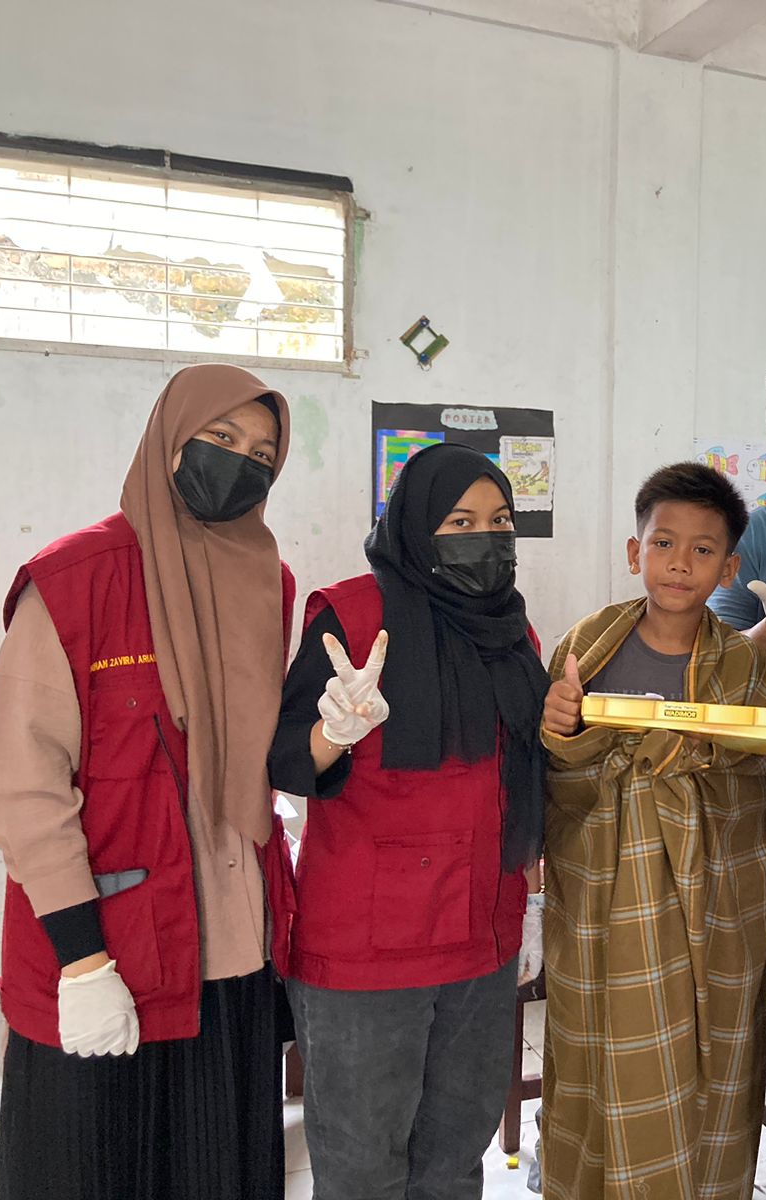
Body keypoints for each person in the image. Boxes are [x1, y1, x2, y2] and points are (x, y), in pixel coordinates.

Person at [0, 365, 293, 1200]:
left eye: (263, 454)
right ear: (168, 440)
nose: (242, 462)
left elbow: (261, 761)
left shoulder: (267, 581)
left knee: (217, 1170)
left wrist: (328, 733)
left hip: (232, 954)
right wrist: (83, 962)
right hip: (108, 948)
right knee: (91, 1170)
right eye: (221, 438)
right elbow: (25, 789)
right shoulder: (76, 578)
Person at [268, 443, 546, 1200]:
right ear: (416, 526)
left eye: (499, 521)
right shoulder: (351, 616)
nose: (484, 537)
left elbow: (522, 777)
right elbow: (285, 759)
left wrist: (528, 903)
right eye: (460, 521)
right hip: (366, 948)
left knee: (454, 1161)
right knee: (363, 1169)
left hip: (482, 936)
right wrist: (334, 734)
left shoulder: (511, 630)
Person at [538, 462, 766, 1199]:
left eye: (703, 550)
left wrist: (672, 761)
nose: (680, 563)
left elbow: (752, 794)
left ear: (728, 568)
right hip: (600, 907)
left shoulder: (740, 662)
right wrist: (563, 732)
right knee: (595, 1049)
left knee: (702, 1060)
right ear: (633, 551)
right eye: (664, 543)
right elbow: (557, 778)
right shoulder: (587, 645)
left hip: (708, 913)